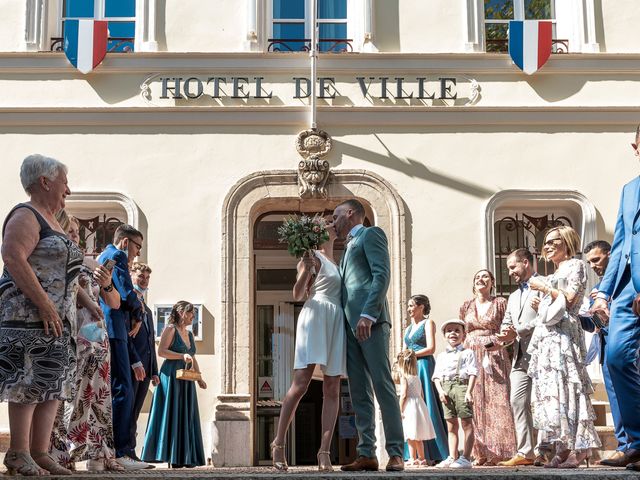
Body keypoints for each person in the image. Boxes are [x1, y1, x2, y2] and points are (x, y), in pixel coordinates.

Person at [0, 154, 80, 476]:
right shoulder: (26, 214)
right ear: (45, 182)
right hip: (29, 317)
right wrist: (45, 303)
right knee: (27, 381)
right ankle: (18, 452)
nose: (69, 190)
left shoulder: (54, 218)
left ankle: (39, 451)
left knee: (51, 382)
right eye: (64, 181)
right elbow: (13, 256)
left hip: (54, 320)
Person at [333, 199, 405, 472]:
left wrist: (369, 313)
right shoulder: (345, 248)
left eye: (336, 214)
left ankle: (396, 453)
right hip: (350, 328)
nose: (334, 220)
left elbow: (381, 274)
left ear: (350, 213)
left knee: (382, 385)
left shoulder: (370, 234)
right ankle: (366, 453)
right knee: (358, 391)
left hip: (370, 323)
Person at [49, 212, 124, 472]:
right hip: (70, 331)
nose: (74, 235)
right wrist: (91, 302)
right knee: (69, 394)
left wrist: (106, 286)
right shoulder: (57, 258)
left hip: (95, 335)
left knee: (98, 394)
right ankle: (61, 454)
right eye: (68, 230)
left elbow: (114, 303)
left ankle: (100, 454)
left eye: (76, 231)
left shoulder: (90, 262)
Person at [270, 216, 346, 472]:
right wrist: (306, 270)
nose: (334, 224)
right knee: (301, 383)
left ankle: (324, 452)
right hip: (315, 314)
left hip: (336, 318)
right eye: (329, 222)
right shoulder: (310, 256)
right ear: (318, 231)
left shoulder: (339, 260)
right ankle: (279, 443)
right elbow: (297, 294)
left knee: (333, 387)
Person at [528, 226, 601, 468]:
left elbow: (569, 301)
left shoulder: (576, 265)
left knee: (569, 386)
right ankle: (562, 446)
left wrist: (544, 288)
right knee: (554, 390)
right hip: (548, 336)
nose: (546, 246)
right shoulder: (555, 271)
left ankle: (580, 448)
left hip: (564, 335)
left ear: (566, 242)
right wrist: (541, 304)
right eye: (545, 243)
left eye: (552, 241)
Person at [591, 133, 640, 468]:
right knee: (616, 358)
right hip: (625, 289)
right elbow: (621, 244)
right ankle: (634, 442)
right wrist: (603, 292)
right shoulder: (629, 189)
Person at [97, 224, 150, 470]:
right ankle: (122, 452)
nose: (137, 254)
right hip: (115, 329)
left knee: (118, 390)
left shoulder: (104, 256)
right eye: (137, 247)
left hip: (112, 328)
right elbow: (127, 293)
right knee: (123, 390)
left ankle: (115, 452)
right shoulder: (115, 255)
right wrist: (139, 312)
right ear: (126, 243)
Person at [459, 269, 516, 465]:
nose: (481, 280)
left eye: (485, 277)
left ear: (492, 282)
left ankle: (499, 452)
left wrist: (501, 346)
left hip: (493, 353)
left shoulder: (499, 303)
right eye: (477, 277)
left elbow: (507, 329)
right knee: (475, 402)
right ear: (473, 284)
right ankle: (480, 452)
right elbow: (462, 332)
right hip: (471, 353)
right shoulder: (466, 305)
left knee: (497, 400)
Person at [583, 240, 632, 466]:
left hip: (628, 349)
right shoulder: (600, 289)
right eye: (590, 262)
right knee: (615, 400)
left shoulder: (628, 283)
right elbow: (594, 325)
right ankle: (624, 447)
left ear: (611, 255)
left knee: (630, 398)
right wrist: (581, 315)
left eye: (596, 259)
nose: (593, 265)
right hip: (605, 347)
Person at [141, 301, 207, 468]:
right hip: (170, 377)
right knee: (171, 413)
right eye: (190, 313)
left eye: (193, 313)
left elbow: (192, 357)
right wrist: (180, 356)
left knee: (184, 414)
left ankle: (183, 457)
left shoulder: (190, 334)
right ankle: (171, 455)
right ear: (180, 312)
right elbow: (161, 351)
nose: (193, 316)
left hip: (185, 379)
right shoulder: (170, 329)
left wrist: (199, 378)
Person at [495, 249, 545, 467]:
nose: (510, 272)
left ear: (526, 262)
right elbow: (507, 322)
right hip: (520, 356)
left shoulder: (544, 284)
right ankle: (525, 452)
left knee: (543, 402)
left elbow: (547, 317)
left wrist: (520, 329)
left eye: (513, 267)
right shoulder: (513, 297)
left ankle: (544, 450)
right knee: (517, 400)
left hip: (543, 352)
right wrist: (505, 335)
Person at [403, 294, 448, 463]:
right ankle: (413, 454)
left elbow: (431, 348)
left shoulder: (428, 323)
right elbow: (404, 349)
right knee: (411, 408)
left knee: (427, 405)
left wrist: (411, 354)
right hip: (410, 369)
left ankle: (435, 452)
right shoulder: (407, 329)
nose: (409, 309)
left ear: (421, 307)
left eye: (411, 305)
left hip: (424, 366)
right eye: (408, 306)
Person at [432, 319, 478, 469]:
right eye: (449, 330)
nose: (453, 333)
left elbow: (473, 373)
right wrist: (440, 391)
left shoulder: (468, 352)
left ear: (463, 334)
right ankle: (452, 456)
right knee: (451, 426)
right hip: (446, 388)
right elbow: (436, 376)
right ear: (444, 335)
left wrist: (469, 392)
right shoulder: (441, 356)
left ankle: (466, 457)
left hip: (461, 387)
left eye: (457, 330)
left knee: (466, 423)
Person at [128, 262, 160, 463]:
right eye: (140, 276)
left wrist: (154, 370)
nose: (144, 281)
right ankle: (126, 451)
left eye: (147, 278)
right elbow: (127, 338)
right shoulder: (128, 304)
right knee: (127, 410)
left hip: (146, 370)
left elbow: (150, 341)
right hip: (133, 366)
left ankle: (131, 451)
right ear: (131, 276)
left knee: (135, 411)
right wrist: (135, 362)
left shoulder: (146, 309)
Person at [397, 349, 435, 467]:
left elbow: (403, 395)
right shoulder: (417, 377)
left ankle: (412, 458)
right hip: (419, 406)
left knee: (410, 435)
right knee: (419, 436)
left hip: (409, 407)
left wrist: (399, 409)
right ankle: (422, 458)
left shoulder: (405, 378)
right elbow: (422, 395)